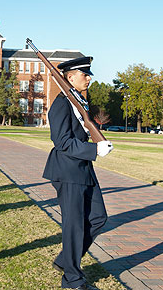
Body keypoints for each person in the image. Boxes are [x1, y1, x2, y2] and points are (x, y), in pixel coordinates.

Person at [43, 56, 114, 290]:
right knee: (74, 225)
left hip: (84, 169)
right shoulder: (61, 104)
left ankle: (66, 260)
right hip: (67, 169)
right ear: (70, 77)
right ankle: (72, 279)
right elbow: (62, 141)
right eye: (85, 74)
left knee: (97, 218)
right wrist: (94, 149)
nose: (89, 78)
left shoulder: (80, 102)